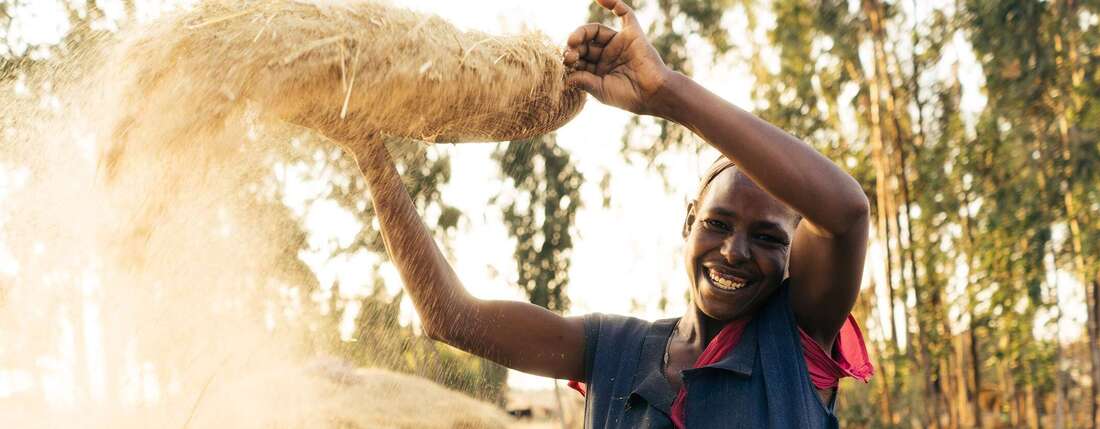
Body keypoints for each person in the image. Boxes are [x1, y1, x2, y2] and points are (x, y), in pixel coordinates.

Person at [353, 0, 872, 427]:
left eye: (768, 238)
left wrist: (665, 93)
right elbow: (449, 317)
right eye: (718, 224)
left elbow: (846, 212)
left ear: (793, 259)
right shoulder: (614, 350)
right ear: (688, 224)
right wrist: (367, 151)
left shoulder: (798, 343)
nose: (734, 251)